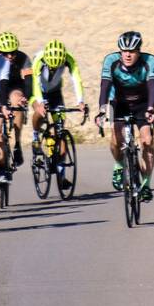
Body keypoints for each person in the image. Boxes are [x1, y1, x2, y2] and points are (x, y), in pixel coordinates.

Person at [96, 31, 154, 200]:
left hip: (142, 104)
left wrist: (151, 109)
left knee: (148, 141)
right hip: (119, 102)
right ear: (120, 51)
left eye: (132, 51)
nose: (128, 55)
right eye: (124, 51)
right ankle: (118, 165)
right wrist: (102, 110)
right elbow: (105, 86)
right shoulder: (111, 61)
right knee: (117, 139)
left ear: (139, 51)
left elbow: (152, 87)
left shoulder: (149, 61)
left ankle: (146, 184)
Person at [30, 40, 88, 193]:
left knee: (60, 130)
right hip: (38, 91)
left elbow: (76, 79)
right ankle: (36, 136)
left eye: (57, 67)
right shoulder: (39, 60)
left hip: (55, 93)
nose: (54, 69)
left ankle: (61, 177)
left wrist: (80, 101)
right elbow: (35, 83)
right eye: (51, 67)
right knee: (39, 113)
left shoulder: (68, 59)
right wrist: (40, 103)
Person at [0, 31, 32, 176]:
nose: (10, 56)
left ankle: (17, 143)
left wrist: (25, 97)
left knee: (17, 99)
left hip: (14, 86)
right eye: (5, 53)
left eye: (12, 53)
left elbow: (29, 81)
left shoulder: (23, 58)